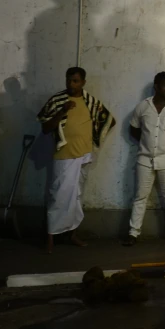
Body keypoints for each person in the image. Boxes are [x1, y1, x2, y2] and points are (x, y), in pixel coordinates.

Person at [37, 67, 116, 253]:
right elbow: (46, 128)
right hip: (64, 157)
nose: (71, 84)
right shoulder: (57, 101)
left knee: (77, 196)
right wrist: (62, 112)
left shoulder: (90, 102)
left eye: (75, 81)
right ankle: (50, 237)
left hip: (85, 155)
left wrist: (95, 137)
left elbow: (109, 120)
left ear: (83, 83)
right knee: (58, 196)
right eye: (68, 80)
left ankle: (72, 234)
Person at [124, 72, 165, 246]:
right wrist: (148, 144)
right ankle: (133, 233)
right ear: (156, 86)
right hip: (144, 159)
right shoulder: (142, 107)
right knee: (140, 196)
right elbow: (134, 129)